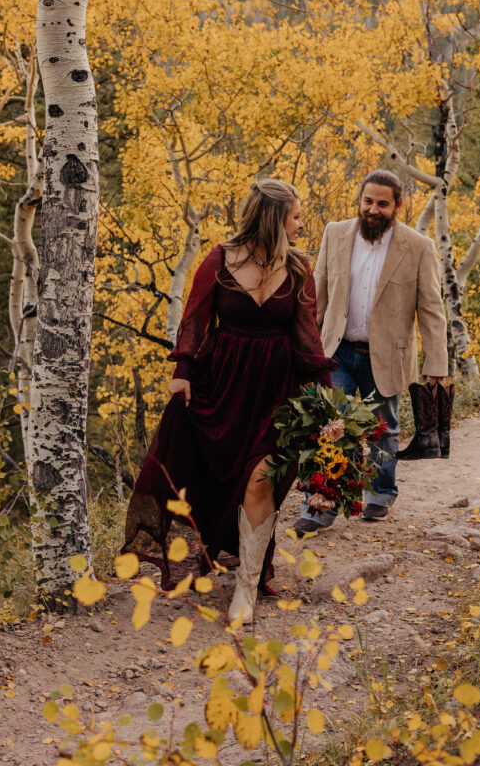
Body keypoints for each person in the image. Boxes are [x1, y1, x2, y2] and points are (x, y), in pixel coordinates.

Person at [122, 179, 334, 624]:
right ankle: (220, 556)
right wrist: (182, 374)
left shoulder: (298, 268)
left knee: (262, 477)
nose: (301, 223)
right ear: (275, 219)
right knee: (213, 479)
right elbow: (195, 321)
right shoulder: (218, 261)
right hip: (223, 384)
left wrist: (321, 389)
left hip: (277, 391)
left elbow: (306, 332)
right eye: (295, 215)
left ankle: (246, 588)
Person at [293, 169, 448, 534]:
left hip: (388, 355)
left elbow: (431, 308)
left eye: (382, 203)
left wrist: (436, 362)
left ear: (397, 206)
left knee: (384, 429)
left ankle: (380, 492)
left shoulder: (418, 247)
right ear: (359, 200)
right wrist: (305, 347)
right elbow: (318, 292)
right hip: (338, 350)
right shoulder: (335, 233)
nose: (373, 210)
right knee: (331, 427)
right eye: (368, 201)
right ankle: (320, 505)